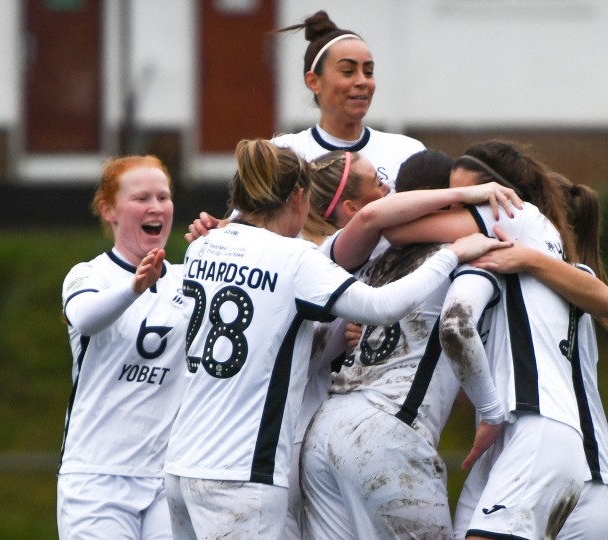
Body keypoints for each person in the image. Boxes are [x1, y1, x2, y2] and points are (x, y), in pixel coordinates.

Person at [162, 139, 508, 540]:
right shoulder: (295, 260)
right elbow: (382, 305)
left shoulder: (202, 247)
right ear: (297, 197)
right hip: (242, 471)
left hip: (182, 465)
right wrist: (453, 252)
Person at [383, 140, 608, 540]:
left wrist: (528, 257)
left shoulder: (519, 221)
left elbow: (392, 228)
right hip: (522, 443)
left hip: (558, 442)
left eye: (466, 202)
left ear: (501, 196)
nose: (456, 212)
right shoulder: (533, 269)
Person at [301, 148, 497, 539]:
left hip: (324, 429)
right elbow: (456, 327)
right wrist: (492, 411)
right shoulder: (461, 253)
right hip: (390, 433)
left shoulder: (374, 255)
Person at [472, 173, 608, 540]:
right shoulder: (530, 286)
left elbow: (606, 299)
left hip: (586, 471)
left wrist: (528, 256)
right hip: (581, 472)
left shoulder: (569, 278)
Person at [57, 155, 189, 539]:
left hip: (168, 478)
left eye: (163, 197)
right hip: (96, 478)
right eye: (141, 198)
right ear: (109, 210)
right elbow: (85, 317)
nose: (155, 207)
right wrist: (134, 288)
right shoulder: (89, 274)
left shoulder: (190, 281)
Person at [271, 10, 425, 191]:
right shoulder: (283, 153)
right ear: (314, 82)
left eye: (368, 72)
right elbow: (243, 219)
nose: (362, 81)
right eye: (347, 71)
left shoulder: (407, 152)